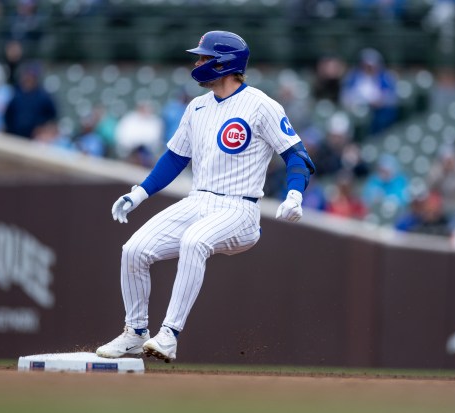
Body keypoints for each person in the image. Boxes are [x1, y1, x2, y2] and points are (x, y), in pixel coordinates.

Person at [95, 31, 315, 362]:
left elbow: (297, 155)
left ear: (224, 63)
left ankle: (168, 335)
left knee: (193, 241)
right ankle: (136, 334)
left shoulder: (261, 105)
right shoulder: (196, 106)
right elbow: (174, 158)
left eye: (203, 58)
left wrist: (294, 194)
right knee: (134, 250)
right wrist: (139, 193)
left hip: (241, 209)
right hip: (198, 200)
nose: (197, 64)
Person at [4, 62, 57, 139]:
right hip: (15, 136)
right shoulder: (17, 93)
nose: (29, 78)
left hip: (35, 139)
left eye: (32, 76)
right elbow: (8, 114)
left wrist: (43, 128)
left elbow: (52, 116)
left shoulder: (44, 96)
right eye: (27, 75)